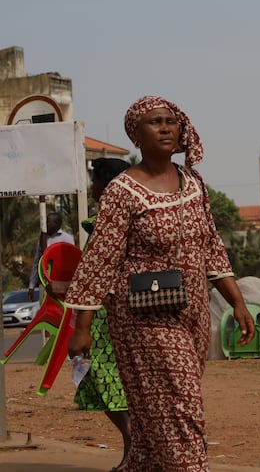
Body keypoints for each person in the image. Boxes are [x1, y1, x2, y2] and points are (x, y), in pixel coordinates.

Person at [65, 95, 255, 471]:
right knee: (181, 406)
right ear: (136, 135)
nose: (166, 127)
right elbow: (100, 259)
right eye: (155, 122)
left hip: (193, 312)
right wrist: (81, 327)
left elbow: (213, 248)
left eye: (171, 120)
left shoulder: (194, 183)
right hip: (144, 317)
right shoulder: (122, 191)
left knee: (160, 417)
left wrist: (238, 302)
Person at [74, 158, 132, 470]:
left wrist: (82, 327)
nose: (91, 186)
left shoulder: (110, 224)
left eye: (95, 180)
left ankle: (134, 447)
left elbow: (98, 275)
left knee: (106, 382)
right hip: (110, 316)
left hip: (107, 320)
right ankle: (132, 451)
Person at [28, 211, 75, 302]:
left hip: (60, 283)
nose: (45, 225)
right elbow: (37, 262)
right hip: (44, 283)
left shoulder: (67, 238)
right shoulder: (42, 239)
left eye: (48, 222)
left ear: (57, 224)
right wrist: (31, 286)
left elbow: (71, 260)